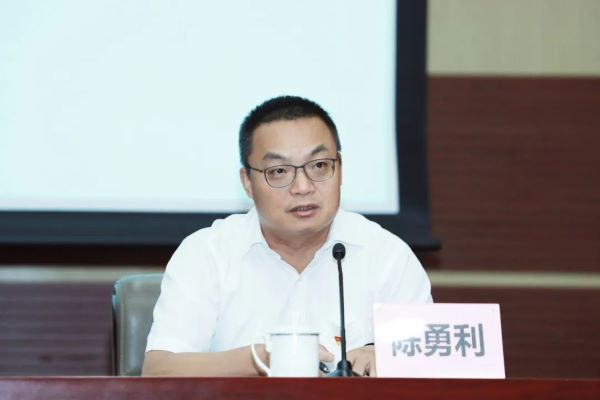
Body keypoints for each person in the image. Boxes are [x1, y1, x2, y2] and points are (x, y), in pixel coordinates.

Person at [142, 96, 432, 377]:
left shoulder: (388, 256)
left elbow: (433, 365)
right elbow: (159, 370)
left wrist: (386, 357)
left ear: (340, 169)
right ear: (247, 182)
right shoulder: (207, 253)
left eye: (319, 165)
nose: (303, 187)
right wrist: (264, 359)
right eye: (279, 171)